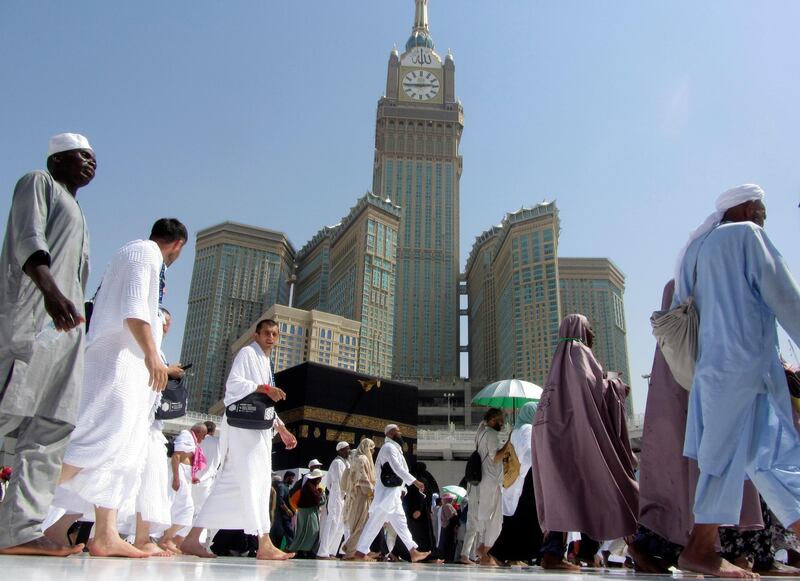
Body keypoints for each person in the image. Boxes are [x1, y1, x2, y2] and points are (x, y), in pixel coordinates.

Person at [670, 185, 800, 578]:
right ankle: (700, 548)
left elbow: (682, 306)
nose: (763, 219)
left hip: (711, 372)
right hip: (745, 367)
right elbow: (784, 295)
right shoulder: (747, 236)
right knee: (737, 458)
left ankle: (703, 546)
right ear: (742, 208)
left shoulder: (695, 250)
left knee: (768, 457)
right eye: (760, 211)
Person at [45, 218, 187, 558]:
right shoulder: (143, 253)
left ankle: (106, 535)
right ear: (178, 245)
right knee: (95, 443)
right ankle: (18, 513)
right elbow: (135, 308)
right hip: (116, 364)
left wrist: (155, 362)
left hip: (131, 368)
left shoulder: (145, 257)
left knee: (120, 452)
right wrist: (153, 355)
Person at [0, 134, 95, 557]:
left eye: (94, 158)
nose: (90, 163)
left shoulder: (80, 212)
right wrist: (52, 293)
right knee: (8, 409)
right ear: (58, 158)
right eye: (82, 155)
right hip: (34, 319)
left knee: (52, 427)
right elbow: (28, 240)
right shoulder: (38, 183)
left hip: (67, 336)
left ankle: (18, 529)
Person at [632, 280, 763, 573]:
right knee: (713, 464)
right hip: (704, 387)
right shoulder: (701, 326)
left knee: (675, 475)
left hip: (677, 397)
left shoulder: (671, 337)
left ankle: (657, 545)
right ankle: (719, 549)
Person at [180, 318, 297, 560]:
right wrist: (265, 388)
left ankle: (192, 539)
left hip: (256, 430)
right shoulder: (247, 353)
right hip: (244, 430)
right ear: (256, 335)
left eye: (275, 334)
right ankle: (264, 543)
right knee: (258, 480)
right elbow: (234, 385)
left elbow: (263, 405)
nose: (271, 338)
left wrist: (282, 429)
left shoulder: (265, 360)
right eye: (266, 333)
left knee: (230, 484)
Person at [532, 314, 639, 570]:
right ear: (581, 330)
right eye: (590, 328)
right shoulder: (580, 353)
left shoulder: (559, 359)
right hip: (574, 435)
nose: (593, 334)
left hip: (551, 435)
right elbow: (595, 391)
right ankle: (639, 549)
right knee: (614, 484)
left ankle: (552, 552)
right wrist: (617, 386)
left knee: (561, 492)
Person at [352, 424, 430, 562]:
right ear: (390, 433)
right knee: (376, 522)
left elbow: (397, 471)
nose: (400, 434)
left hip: (393, 493)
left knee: (400, 522)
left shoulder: (395, 448)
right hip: (387, 494)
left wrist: (403, 489)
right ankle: (360, 551)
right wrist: (415, 482)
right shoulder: (388, 448)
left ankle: (413, 551)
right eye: (397, 432)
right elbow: (397, 467)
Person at [489, 402, 542, 565]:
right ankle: (504, 554)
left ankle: (510, 555)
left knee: (515, 520)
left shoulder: (515, 431)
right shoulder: (528, 429)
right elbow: (528, 454)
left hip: (514, 481)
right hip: (526, 480)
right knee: (526, 520)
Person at [159, 423, 208, 553]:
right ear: (198, 432)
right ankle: (166, 539)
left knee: (178, 508)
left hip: (183, 474)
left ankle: (169, 538)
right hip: (179, 473)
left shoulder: (191, 439)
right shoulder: (186, 436)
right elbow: (177, 457)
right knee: (187, 508)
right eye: (203, 436)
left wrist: (191, 477)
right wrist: (176, 477)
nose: (202, 440)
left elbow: (187, 459)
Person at [473, 408, 510, 566]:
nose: (502, 424)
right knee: (495, 520)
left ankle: (483, 550)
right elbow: (496, 457)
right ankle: (487, 552)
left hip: (484, 480)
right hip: (492, 480)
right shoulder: (492, 434)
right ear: (492, 420)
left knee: (487, 519)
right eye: (500, 421)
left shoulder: (481, 433)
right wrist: (508, 442)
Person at [341, 439, 376, 558]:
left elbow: (345, 478)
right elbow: (363, 479)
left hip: (354, 495)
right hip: (361, 495)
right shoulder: (362, 459)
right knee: (361, 523)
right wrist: (371, 491)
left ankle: (351, 548)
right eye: (371, 449)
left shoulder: (355, 459)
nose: (372, 451)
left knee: (357, 523)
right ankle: (350, 550)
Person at [317, 441, 350, 559]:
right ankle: (322, 552)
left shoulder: (345, 463)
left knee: (340, 525)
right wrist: (345, 493)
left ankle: (331, 551)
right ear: (340, 450)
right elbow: (340, 481)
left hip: (343, 497)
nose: (349, 451)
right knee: (332, 523)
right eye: (346, 449)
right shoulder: (337, 463)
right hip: (337, 496)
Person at [287, 469, 325, 557]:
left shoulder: (308, 486)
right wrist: (321, 493)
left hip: (304, 511)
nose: (320, 480)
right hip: (308, 512)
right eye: (319, 478)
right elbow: (319, 500)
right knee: (312, 531)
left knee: (303, 531)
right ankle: (305, 550)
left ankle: (301, 550)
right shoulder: (310, 487)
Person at [192, 420, 221, 517]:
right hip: (207, 481)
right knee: (201, 514)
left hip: (192, 479)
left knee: (189, 511)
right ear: (213, 431)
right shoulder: (218, 442)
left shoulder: (196, 440)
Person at [271, 470, 296, 549]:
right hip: (282, 516)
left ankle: (288, 548)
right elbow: (280, 500)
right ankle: (290, 548)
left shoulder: (286, 487)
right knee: (288, 532)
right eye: (292, 478)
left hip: (284, 516)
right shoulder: (282, 487)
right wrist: (287, 510)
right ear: (288, 477)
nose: (293, 480)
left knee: (286, 533)